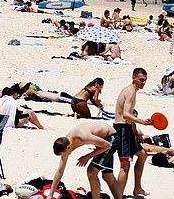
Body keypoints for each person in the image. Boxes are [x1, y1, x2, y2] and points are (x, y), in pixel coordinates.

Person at [49, 122, 122, 199]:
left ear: (68, 148)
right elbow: (60, 172)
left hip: (111, 138)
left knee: (91, 172)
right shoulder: (66, 143)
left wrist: (86, 157)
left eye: (63, 154)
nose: (64, 156)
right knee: (108, 176)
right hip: (102, 140)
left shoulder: (82, 136)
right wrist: (50, 194)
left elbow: (106, 145)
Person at [114, 68, 153, 198]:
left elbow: (129, 116)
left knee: (142, 155)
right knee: (125, 165)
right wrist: (142, 122)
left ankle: (137, 188)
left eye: (145, 80)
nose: (143, 83)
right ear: (134, 78)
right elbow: (125, 115)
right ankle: (118, 196)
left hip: (128, 128)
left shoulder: (133, 91)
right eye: (141, 80)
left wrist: (135, 132)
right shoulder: (130, 92)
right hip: (122, 129)